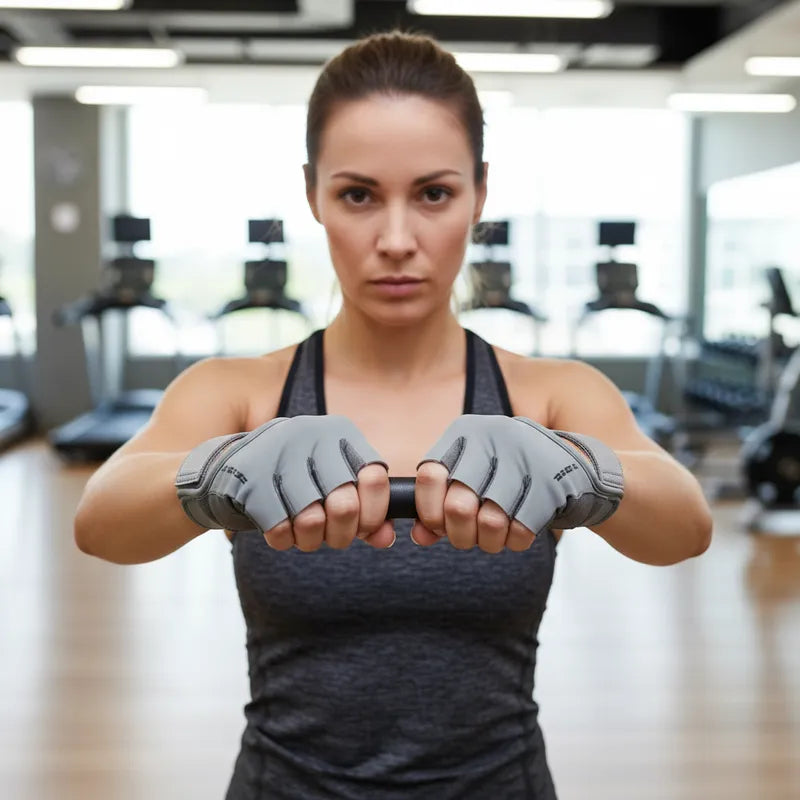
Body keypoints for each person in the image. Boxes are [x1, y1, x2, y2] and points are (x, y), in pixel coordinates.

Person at [74, 30, 713, 800]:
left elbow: (686, 526)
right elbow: (100, 521)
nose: (398, 240)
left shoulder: (550, 393)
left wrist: (582, 467)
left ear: (481, 192)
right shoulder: (239, 393)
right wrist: (215, 474)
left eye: (434, 194)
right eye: (359, 195)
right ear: (313, 193)